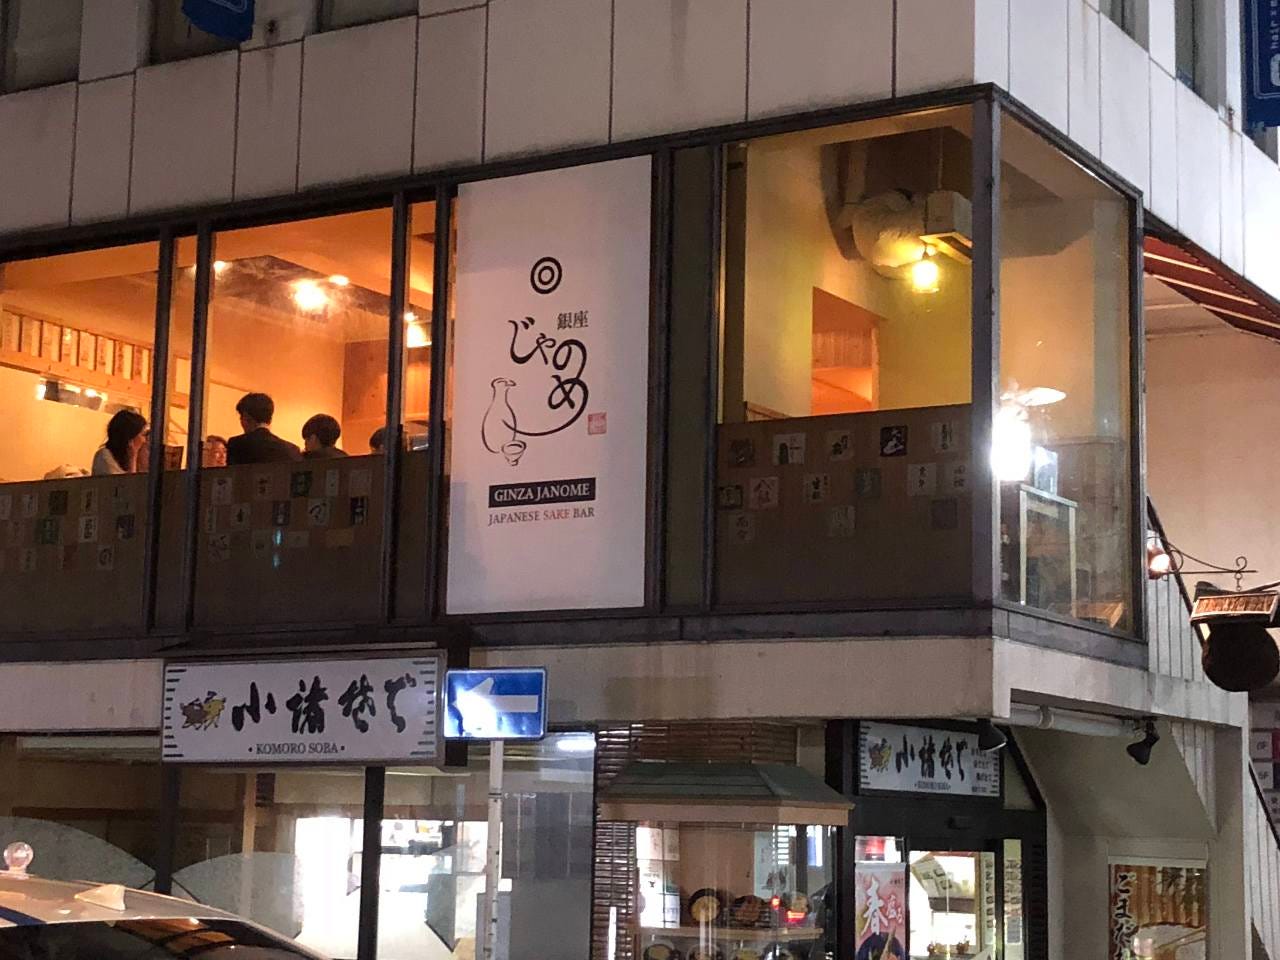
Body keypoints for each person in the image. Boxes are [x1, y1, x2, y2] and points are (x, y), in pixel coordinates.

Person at [226, 393, 301, 465]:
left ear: (246, 418)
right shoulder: (292, 449)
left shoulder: (236, 444)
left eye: (241, 418)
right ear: (270, 419)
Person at [92, 410, 148, 475]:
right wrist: (133, 457)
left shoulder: (126, 458)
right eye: (143, 435)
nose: (144, 440)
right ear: (131, 436)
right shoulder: (104, 455)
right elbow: (128, 481)